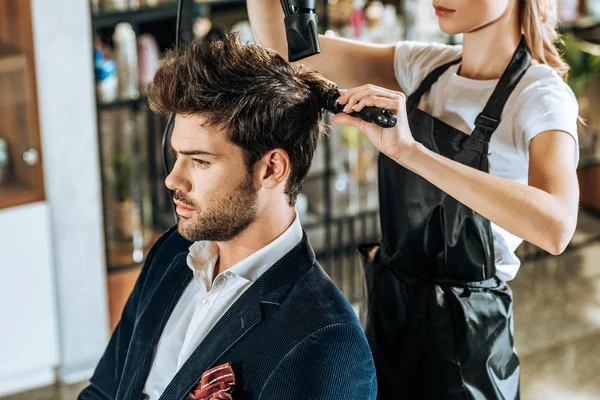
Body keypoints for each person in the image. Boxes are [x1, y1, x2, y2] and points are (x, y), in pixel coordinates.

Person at [248, 0, 580, 398]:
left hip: (465, 341)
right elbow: (287, 46)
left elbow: (556, 225)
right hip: (392, 308)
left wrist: (412, 152)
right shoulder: (424, 67)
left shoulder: (540, 94)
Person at [78, 34, 377, 400]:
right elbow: (104, 391)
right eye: (176, 155)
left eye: (200, 161)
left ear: (271, 170)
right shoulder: (173, 251)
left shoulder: (327, 343)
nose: (173, 178)